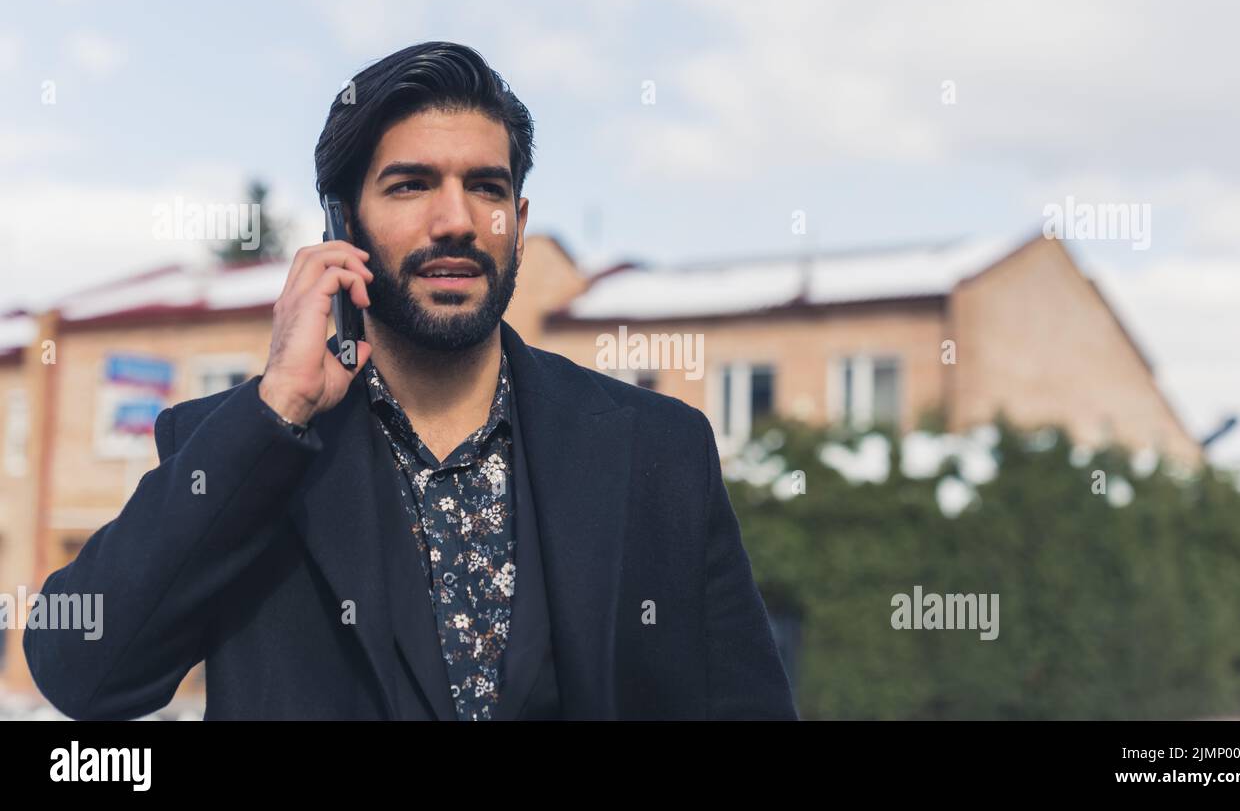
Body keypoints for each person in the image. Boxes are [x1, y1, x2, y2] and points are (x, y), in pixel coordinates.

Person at [24, 41, 797, 721]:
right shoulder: (240, 448)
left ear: (518, 223)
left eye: (487, 188)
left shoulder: (657, 450)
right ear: (343, 226)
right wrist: (278, 410)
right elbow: (80, 669)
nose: (457, 220)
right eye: (411, 184)